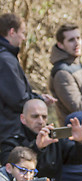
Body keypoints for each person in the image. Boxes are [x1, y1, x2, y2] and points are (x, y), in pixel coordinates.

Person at [0, 13, 56, 145]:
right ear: (12, 32)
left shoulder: (7, 57)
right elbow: (18, 99)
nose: (24, 38)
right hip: (11, 131)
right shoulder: (5, 60)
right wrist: (40, 100)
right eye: (23, 33)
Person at [49, 23, 82, 138]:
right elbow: (78, 107)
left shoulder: (75, 63)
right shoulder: (62, 73)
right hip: (80, 138)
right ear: (60, 45)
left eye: (78, 38)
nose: (77, 43)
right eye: (71, 40)